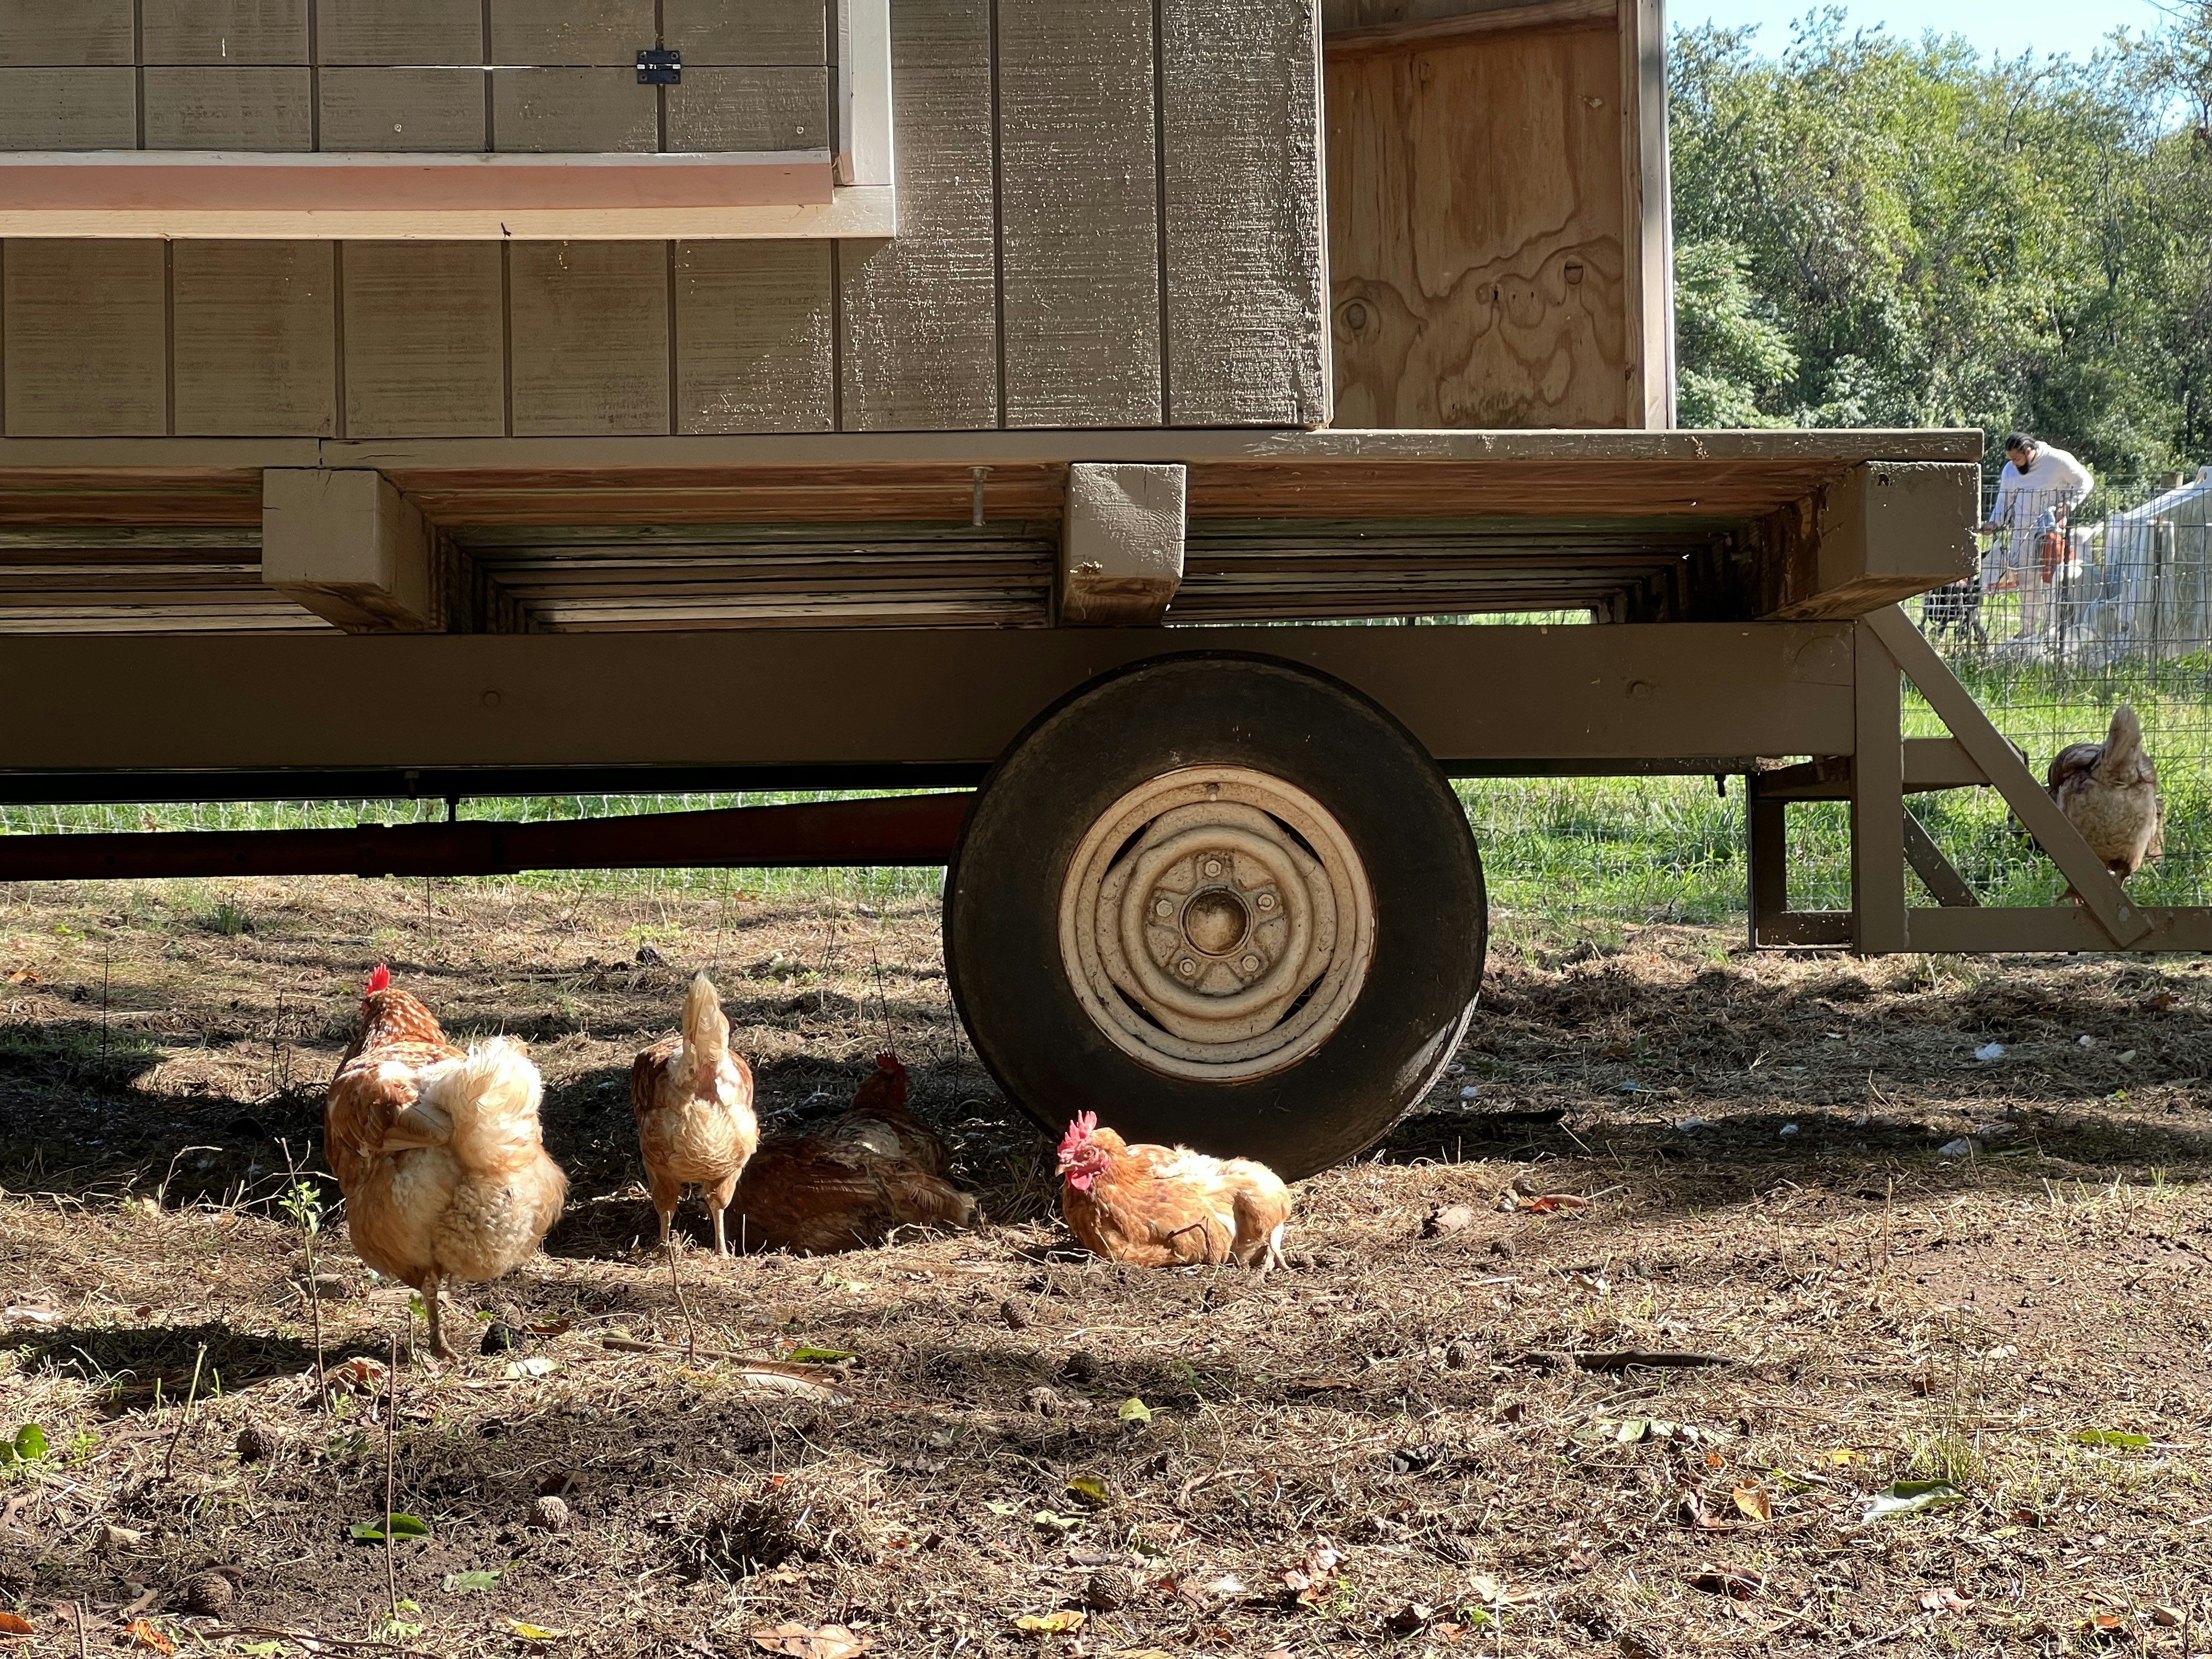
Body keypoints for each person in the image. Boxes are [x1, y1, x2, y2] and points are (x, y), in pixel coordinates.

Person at [1979, 432, 2092, 641]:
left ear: (2029, 451)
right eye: (2011, 459)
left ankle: (2052, 630)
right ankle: (2028, 630)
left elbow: (2085, 481)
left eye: (2017, 458)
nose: (2014, 463)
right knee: (2027, 582)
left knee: (2052, 581)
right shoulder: (2010, 470)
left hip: (2050, 532)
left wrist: (2068, 506)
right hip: (2021, 532)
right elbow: (2004, 500)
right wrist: (1995, 523)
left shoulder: (2057, 460)